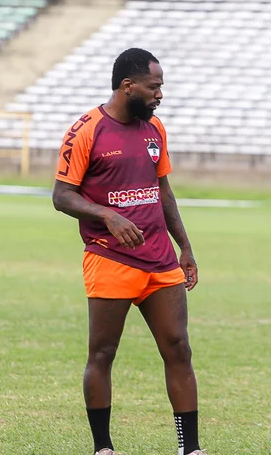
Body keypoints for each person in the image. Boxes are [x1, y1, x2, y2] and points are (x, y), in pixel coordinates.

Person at [52, 48, 204, 455]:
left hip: (160, 260)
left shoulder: (155, 129)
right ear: (128, 86)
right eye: (154, 87)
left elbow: (164, 192)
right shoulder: (86, 129)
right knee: (102, 352)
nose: (160, 96)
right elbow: (61, 196)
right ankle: (104, 448)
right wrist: (107, 215)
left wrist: (184, 247)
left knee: (179, 348)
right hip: (110, 258)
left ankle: (190, 449)